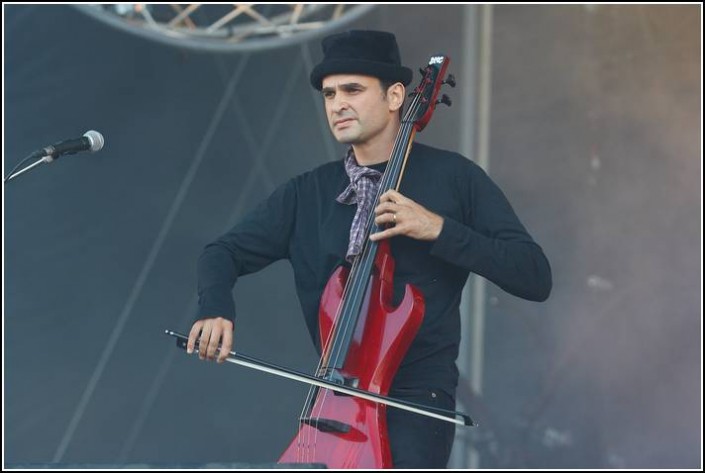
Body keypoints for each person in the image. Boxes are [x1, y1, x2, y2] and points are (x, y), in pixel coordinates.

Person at [188, 30, 552, 468]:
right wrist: (215, 306)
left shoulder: (456, 178)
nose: (338, 104)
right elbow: (222, 251)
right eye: (329, 94)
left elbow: (534, 274)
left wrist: (439, 228)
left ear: (396, 95)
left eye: (353, 90)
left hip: (414, 403)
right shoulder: (309, 193)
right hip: (331, 399)